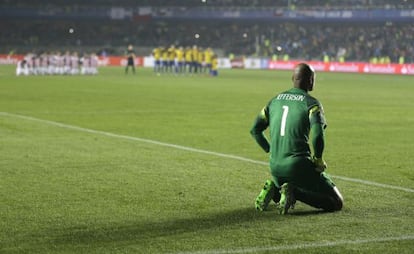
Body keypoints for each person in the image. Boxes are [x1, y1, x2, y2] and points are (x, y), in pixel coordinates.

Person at [250, 63, 343, 215]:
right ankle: (294, 192)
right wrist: (318, 159)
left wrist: (271, 150)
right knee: (336, 202)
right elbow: (318, 134)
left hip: (275, 167)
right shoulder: (311, 103)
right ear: (311, 81)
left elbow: (255, 130)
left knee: (290, 181)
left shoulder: (274, 101)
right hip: (298, 167)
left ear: (293, 78)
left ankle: (275, 190)